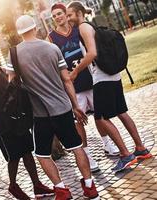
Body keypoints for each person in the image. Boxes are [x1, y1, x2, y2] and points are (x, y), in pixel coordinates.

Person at [11, 15, 100, 200]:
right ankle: (90, 187)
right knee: (76, 146)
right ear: (35, 28)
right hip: (63, 108)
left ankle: (61, 189)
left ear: (19, 33)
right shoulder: (52, 48)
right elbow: (67, 80)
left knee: (42, 154)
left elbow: (11, 84)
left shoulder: (14, 54)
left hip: (40, 113)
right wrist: (76, 106)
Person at [66, 1, 152, 172]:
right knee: (121, 112)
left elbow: (92, 53)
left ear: (79, 13)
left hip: (102, 78)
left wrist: (75, 72)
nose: (68, 18)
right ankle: (140, 148)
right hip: (113, 75)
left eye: (70, 15)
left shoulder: (83, 27)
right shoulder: (90, 26)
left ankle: (125, 154)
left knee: (101, 118)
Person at [0, 41, 54, 200]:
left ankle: (37, 186)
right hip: (1, 124)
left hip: (16, 119)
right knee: (14, 156)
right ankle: (13, 186)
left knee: (28, 151)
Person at [48, 3, 120, 173]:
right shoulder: (51, 38)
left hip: (91, 78)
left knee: (100, 115)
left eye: (60, 13)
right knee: (79, 122)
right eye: (54, 16)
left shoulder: (78, 29)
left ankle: (106, 143)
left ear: (66, 14)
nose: (58, 17)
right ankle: (87, 154)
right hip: (73, 85)